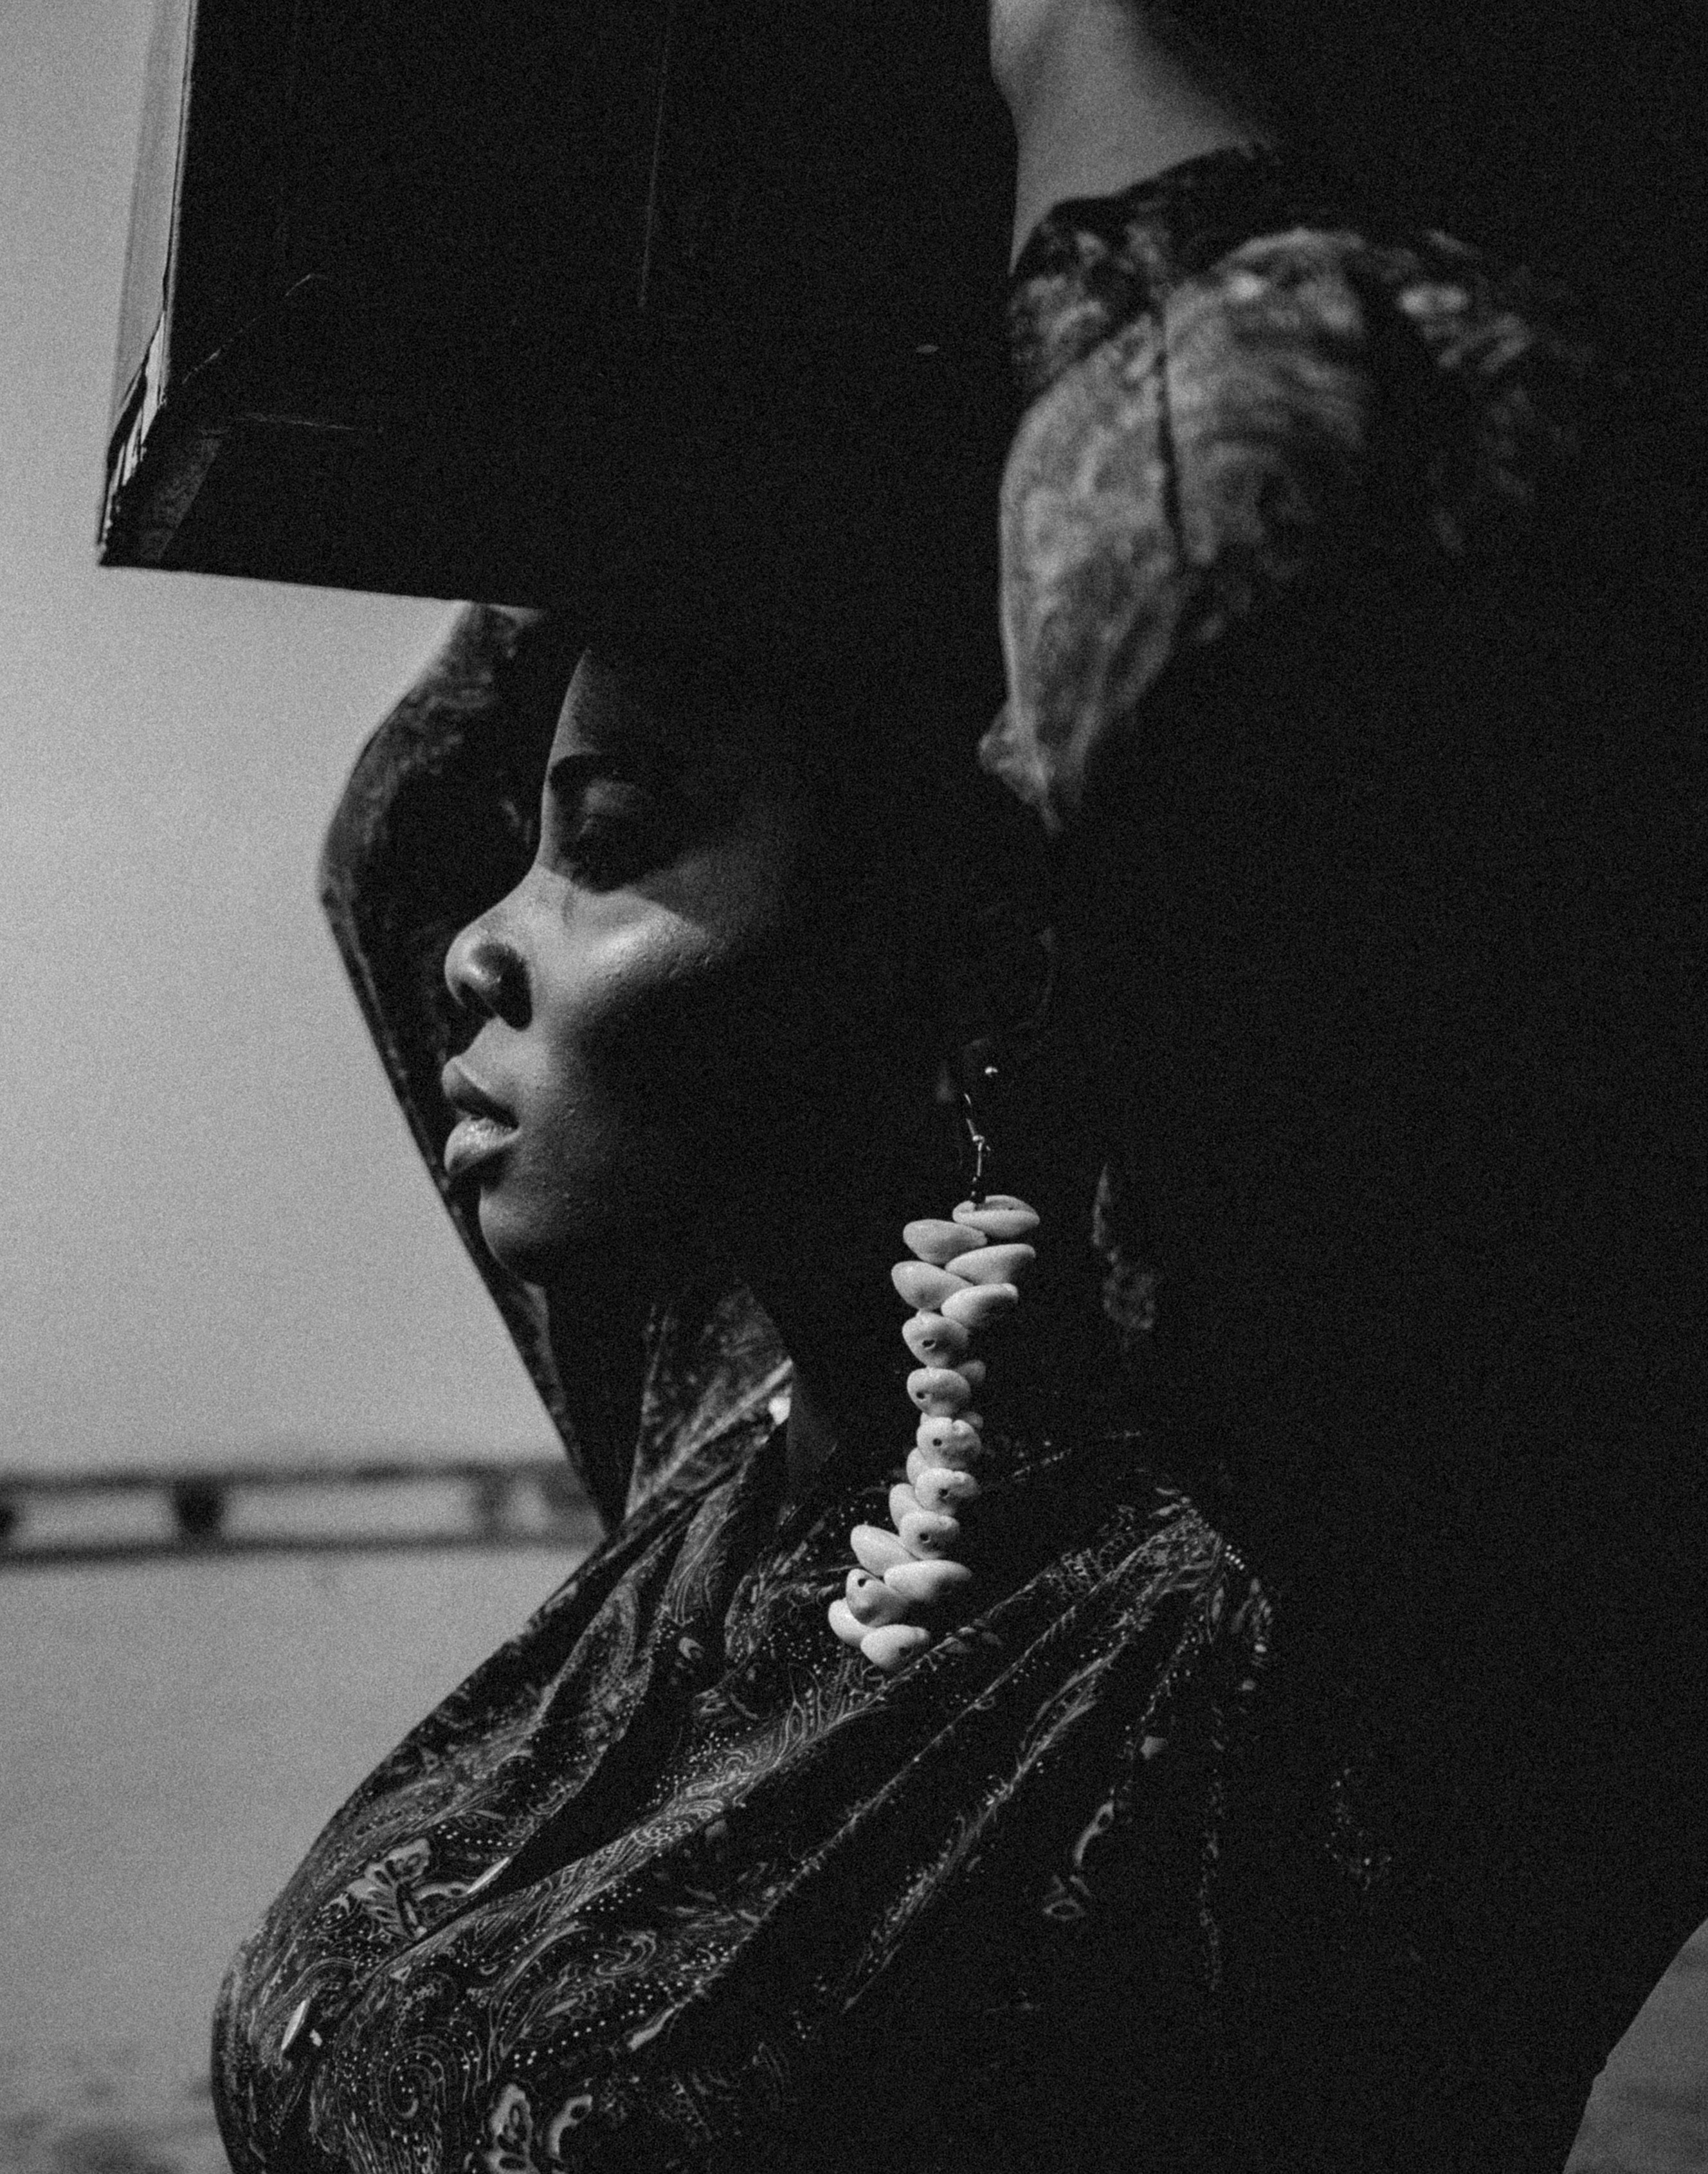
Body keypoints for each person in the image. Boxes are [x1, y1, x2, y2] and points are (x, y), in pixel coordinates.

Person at [213, 3, 1706, 2168]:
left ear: (979, 938)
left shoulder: (1333, 1612)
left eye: (609, 839)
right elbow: (412, 826)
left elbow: (1246, 537)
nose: (478, 937)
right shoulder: (743, 1418)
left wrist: (1085, 33)